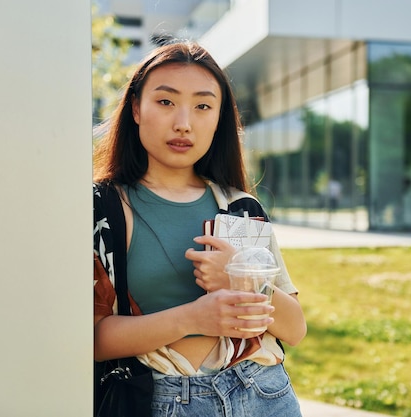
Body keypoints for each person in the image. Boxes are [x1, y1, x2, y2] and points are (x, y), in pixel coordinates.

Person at [93, 40, 307, 417]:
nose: (183, 123)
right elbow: (91, 339)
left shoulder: (241, 208)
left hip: (263, 392)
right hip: (163, 400)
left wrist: (238, 277)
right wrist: (193, 317)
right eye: (165, 102)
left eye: (203, 106)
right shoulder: (103, 209)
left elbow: (295, 329)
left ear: (219, 118)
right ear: (136, 110)